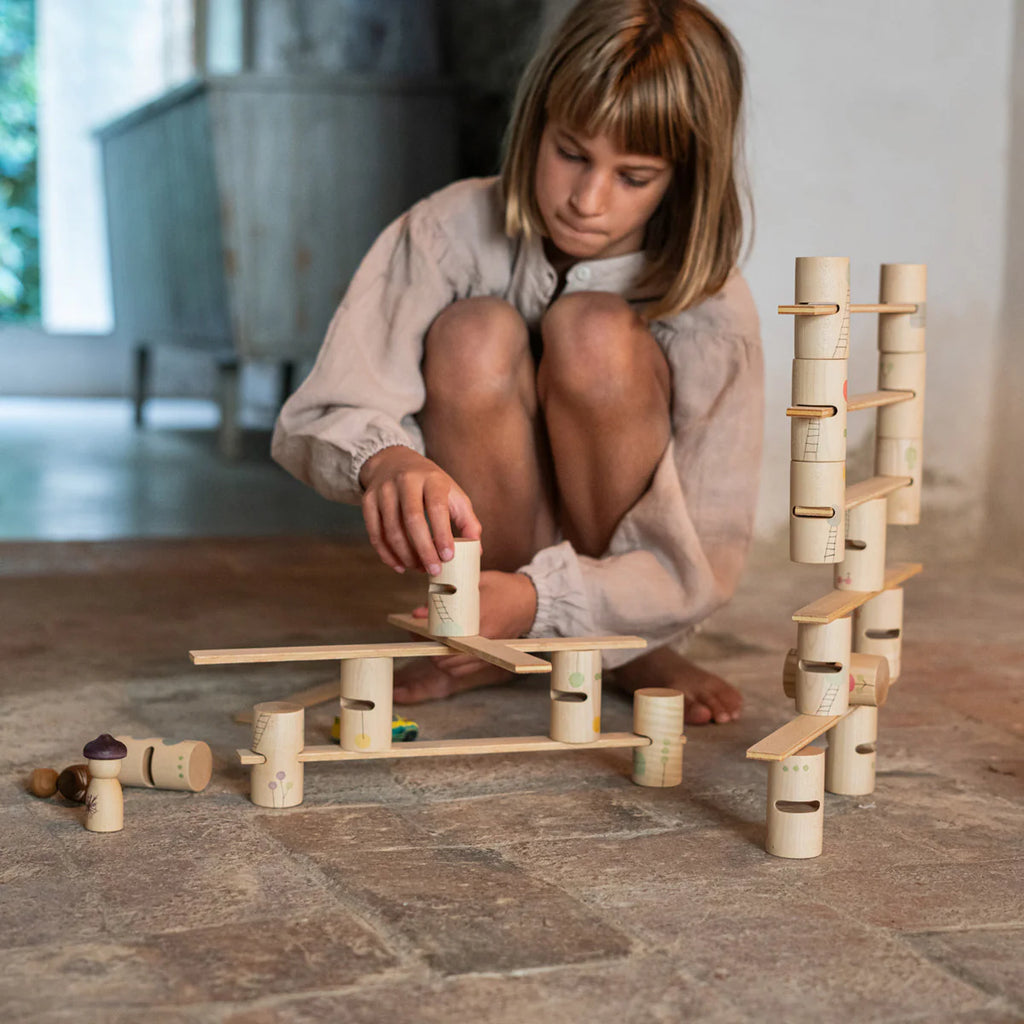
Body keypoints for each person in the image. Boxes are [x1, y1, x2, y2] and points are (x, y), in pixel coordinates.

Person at [272, 0, 763, 725]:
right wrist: (387, 462)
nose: (588, 201)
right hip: (494, 548)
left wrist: (544, 600)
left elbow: (704, 554)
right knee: (474, 332)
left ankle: (627, 646)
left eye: (634, 176)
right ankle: (486, 631)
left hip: (620, 577)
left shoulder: (712, 308)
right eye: (571, 153)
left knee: (594, 331)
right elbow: (326, 409)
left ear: (683, 179)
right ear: (536, 123)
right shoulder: (447, 228)